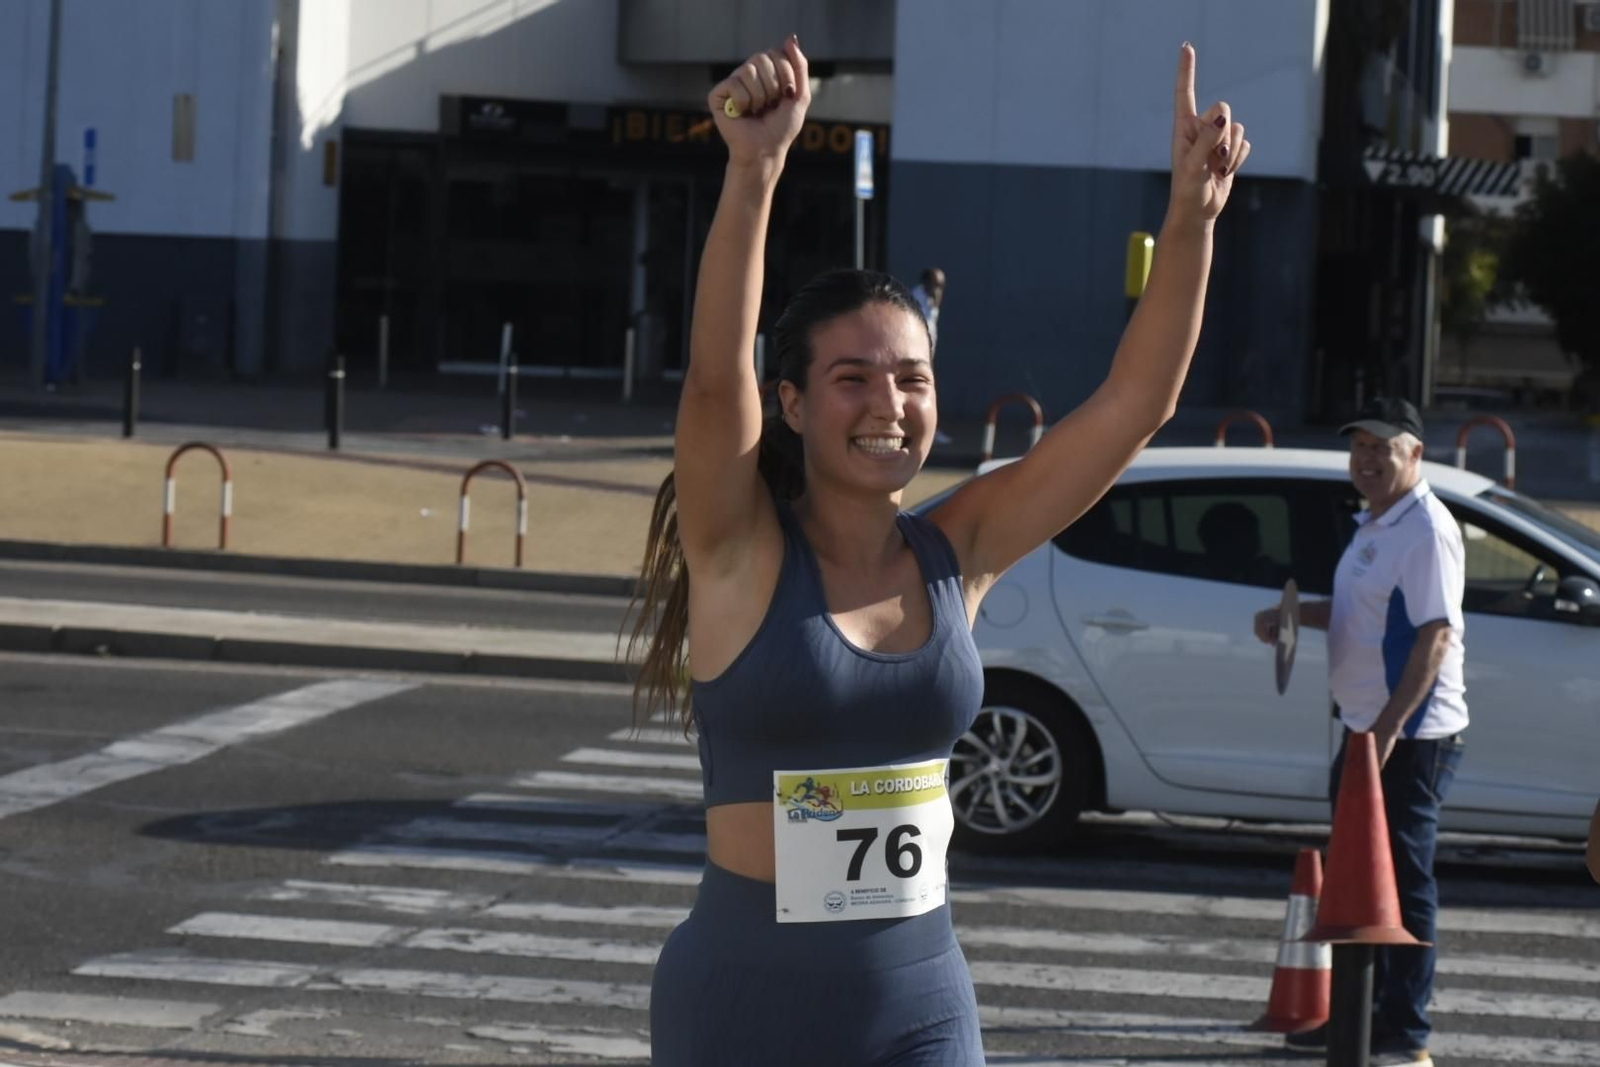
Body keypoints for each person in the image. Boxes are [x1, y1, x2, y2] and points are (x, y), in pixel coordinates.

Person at [628, 34, 1249, 1065]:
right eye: (853, 379)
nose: (891, 404)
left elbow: (1136, 405)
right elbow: (708, 386)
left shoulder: (958, 548)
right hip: (741, 1007)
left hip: (919, 1003)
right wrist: (754, 170)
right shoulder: (736, 550)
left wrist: (1190, 220)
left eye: (912, 378)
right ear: (789, 401)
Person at [1254, 396, 1466, 1067]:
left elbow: (1435, 634)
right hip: (1363, 729)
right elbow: (1361, 612)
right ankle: (1356, 1013)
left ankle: (1406, 1027)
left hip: (1408, 736)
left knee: (1402, 882)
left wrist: (1389, 730)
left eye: (1383, 447)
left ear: (1415, 454)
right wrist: (1293, 616)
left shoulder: (1426, 528)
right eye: (1360, 448)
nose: (1368, 459)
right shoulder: (1375, 520)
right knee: (1355, 881)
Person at [909, 267, 946, 350]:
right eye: (936, 284)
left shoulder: (932, 300)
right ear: (926, 282)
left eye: (941, 286)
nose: (938, 290)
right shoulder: (914, 299)